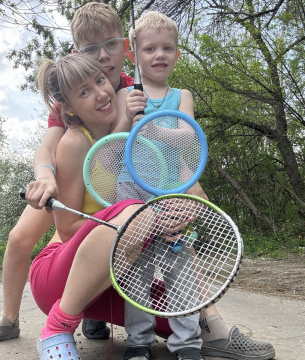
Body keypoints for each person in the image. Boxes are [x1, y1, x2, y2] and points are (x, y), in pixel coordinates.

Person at [0, 2, 132, 347]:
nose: (102, 56)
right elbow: (47, 147)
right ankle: (8, 320)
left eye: (110, 44)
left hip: (110, 178)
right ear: (76, 51)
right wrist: (45, 176)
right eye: (90, 49)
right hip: (71, 175)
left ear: (125, 46)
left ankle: (93, 309)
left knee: (115, 232)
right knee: (20, 238)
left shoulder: (131, 88)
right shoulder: (66, 99)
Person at [114, 11, 275, 360]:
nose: (159, 55)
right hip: (131, 190)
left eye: (167, 48)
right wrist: (128, 116)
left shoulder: (181, 94)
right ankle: (138, 342)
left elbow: (188, 136)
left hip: (170, 190)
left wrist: (151, 127)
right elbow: (113, 143)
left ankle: (186, 343)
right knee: (137, 267)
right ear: (133, 54)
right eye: (150, 48)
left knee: (180, 264)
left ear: (177, 54)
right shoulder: (125, 93)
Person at [30, 53, 193, 360]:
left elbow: (187, 184)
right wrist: (150, 222)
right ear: (68, 110)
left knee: (181, 318)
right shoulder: (76, 142)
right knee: (134, 212)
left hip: (111, 277)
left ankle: (96, 317)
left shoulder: (139, 134)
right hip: (59, 275)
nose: (101, 93)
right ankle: (57, 326)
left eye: (100, 80)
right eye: (84, 92)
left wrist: (184, 213)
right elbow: (65, 229)